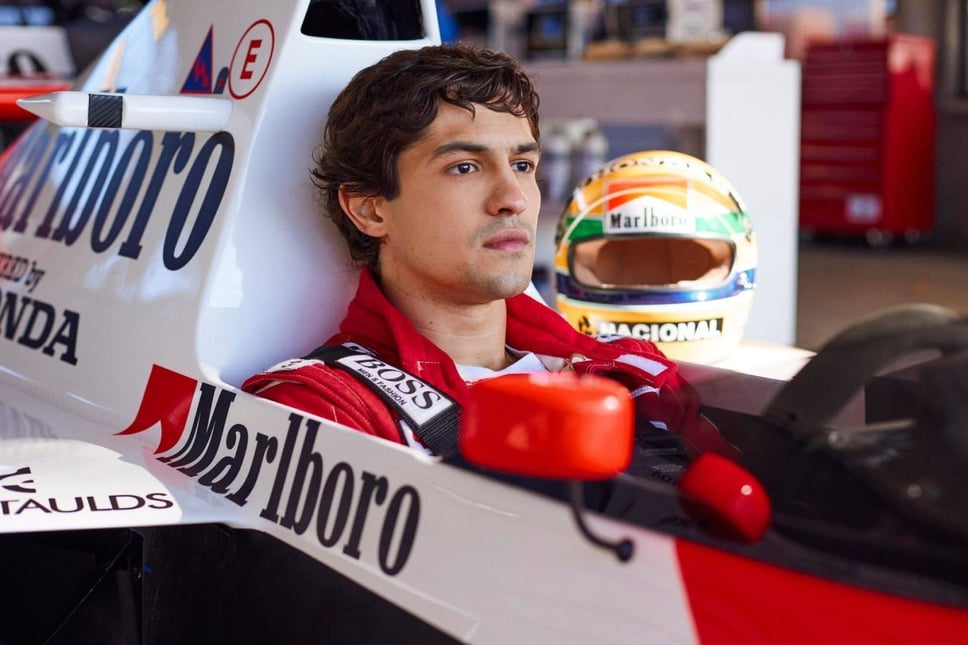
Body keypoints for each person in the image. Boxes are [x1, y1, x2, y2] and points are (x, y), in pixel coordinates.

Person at [242, 43, 733, 459]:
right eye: (464, 167)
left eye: (522, 165)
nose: (513, 199)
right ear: (369, 209)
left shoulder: (631, 371)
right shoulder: (323, 408)